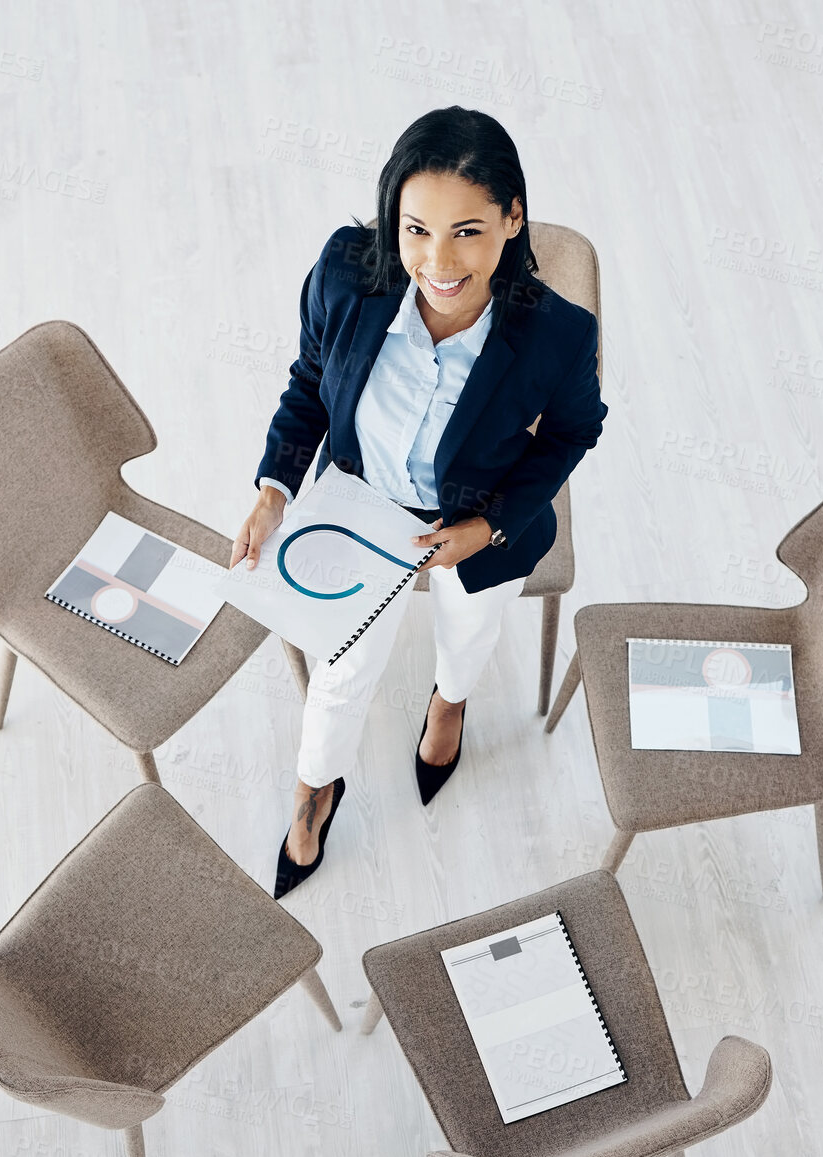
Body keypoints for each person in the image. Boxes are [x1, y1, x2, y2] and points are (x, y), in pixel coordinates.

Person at [228, 106, 609, 898]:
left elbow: (575, 430)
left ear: (511, 219)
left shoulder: (557, 335)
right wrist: (273, 490)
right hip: (359, 508)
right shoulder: (344, 272)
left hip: (478, 523)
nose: (437, 262)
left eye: (467, 231)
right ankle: (316, 788)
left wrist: (487, 526)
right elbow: (308, 384)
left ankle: (448, 704)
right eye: (415, 230)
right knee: (340, 671)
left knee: (467, 634)